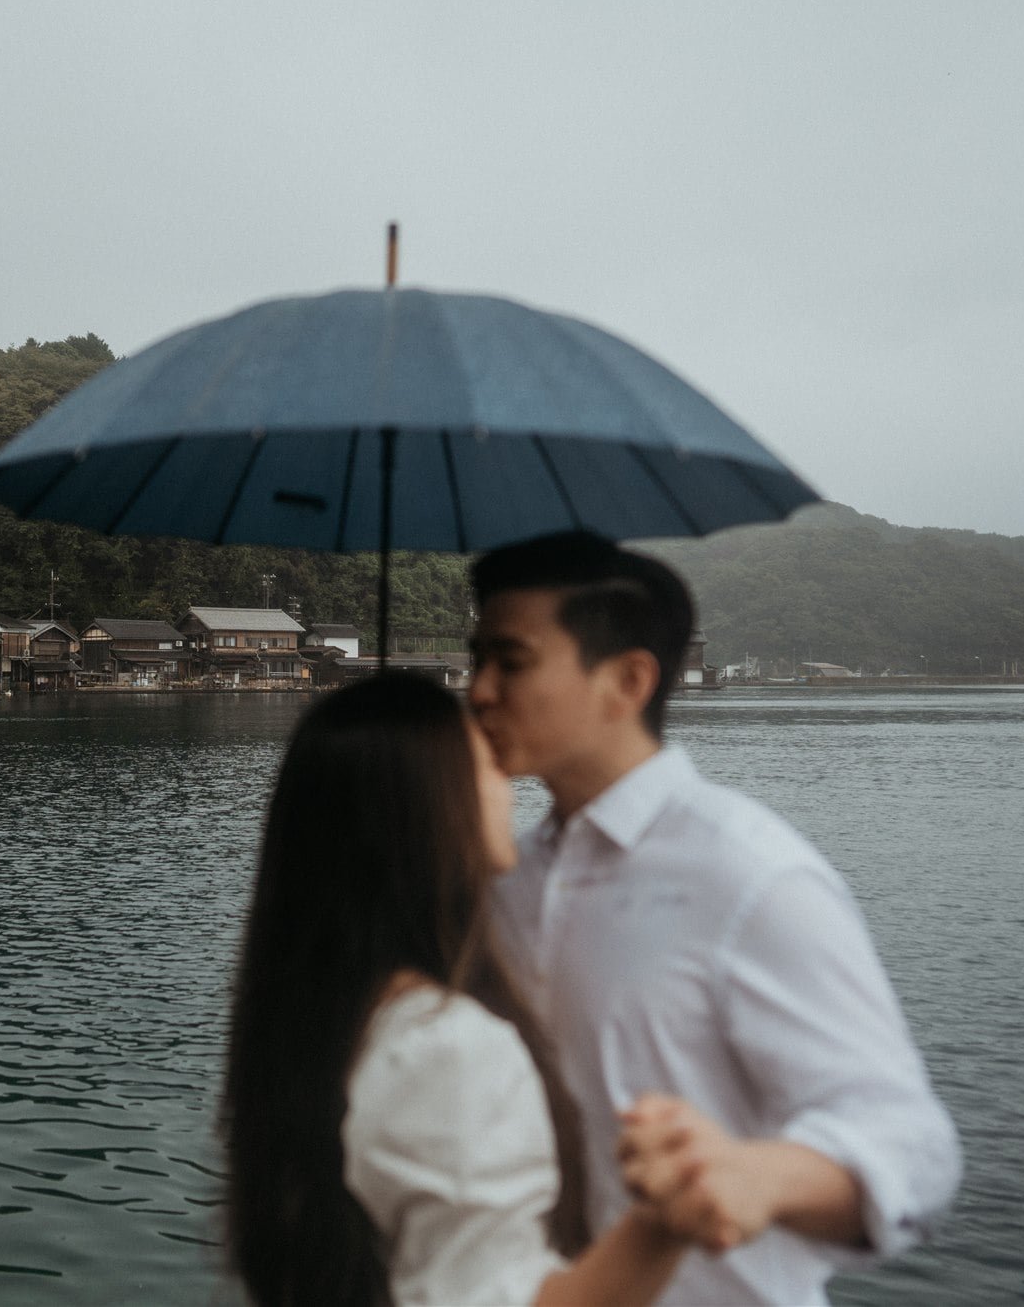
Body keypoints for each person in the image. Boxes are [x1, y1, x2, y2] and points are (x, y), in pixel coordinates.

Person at [468, 531, 962, 1307]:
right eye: (478, 661)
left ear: (626, 680)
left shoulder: (750, 875)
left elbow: (917, 1148)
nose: (479, 691)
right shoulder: (507, 880)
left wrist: (758, 1173)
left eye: (511, 661)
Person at [222, 672, 691, 1307]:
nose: (510, 782)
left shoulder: (320, 1022)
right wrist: (663, 1222)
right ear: (424, 804)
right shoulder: (447, 1050)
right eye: (486, 764)